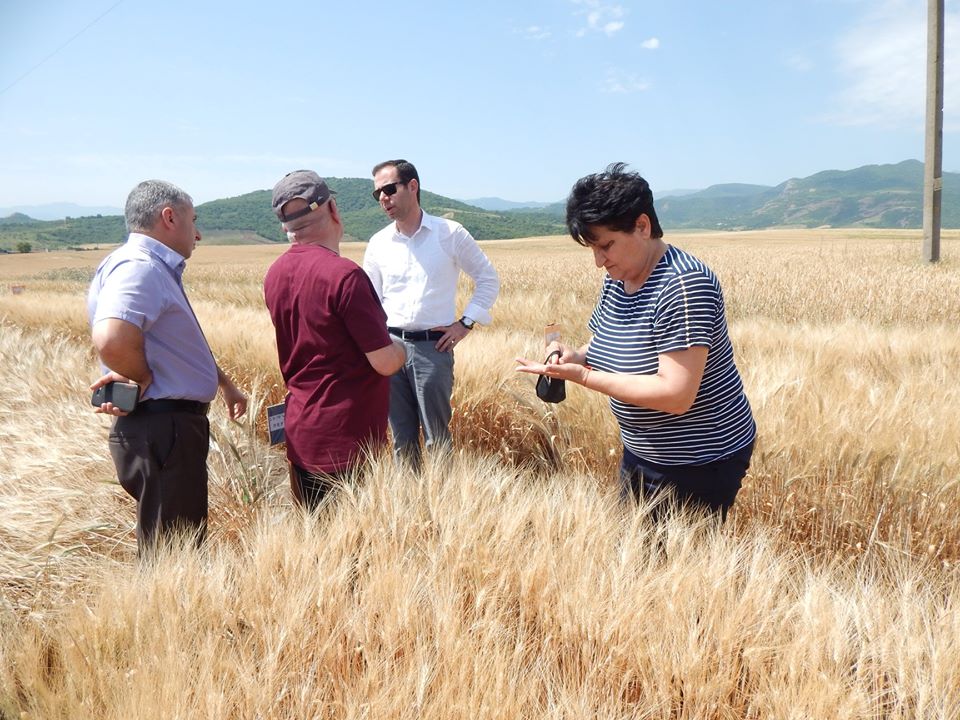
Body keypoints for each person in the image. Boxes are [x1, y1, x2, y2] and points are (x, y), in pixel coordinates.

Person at [516, 163, 756, 522]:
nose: (599, 261)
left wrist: (584, 377)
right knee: (635, 547)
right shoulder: (619, 277)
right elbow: (606, 343)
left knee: (677, 557)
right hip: (642, 450)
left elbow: (676, 395)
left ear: (642, 226)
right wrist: (576, 356)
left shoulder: (684, 285)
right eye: (592, 249)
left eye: (606, 245)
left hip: (699, 461)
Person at [87, 179, 248, 552]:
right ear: (170, 217)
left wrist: (223, 383)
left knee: (172, 544)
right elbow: (112, 338)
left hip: (164, 427)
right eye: (194, 221)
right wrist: (141, 377)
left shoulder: (149, 267)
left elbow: (176, 346)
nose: (198, 234)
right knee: (173, 554)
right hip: (164, 429)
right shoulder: (139, 267)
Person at [264, 170, 407, 508]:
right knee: (355, 537)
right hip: (347, 441)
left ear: (285, 226)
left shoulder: (275, 274)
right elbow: (385, 362)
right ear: (333, 209)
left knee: (315, 533)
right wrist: (402, 348)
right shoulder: (345, 276)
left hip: (301, 432)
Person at [363, 159, 500, 468]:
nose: (383, 198)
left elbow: (488, 279)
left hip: (432, 348)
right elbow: (370, 299)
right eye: (377, 194)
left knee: (437, 439)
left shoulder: (450, 233)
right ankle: (410, 496)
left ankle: (442, 494)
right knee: (401, 438)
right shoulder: (378, 243)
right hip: (389, 346)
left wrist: (465, 323)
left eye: (389, 189)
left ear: (413, 186)